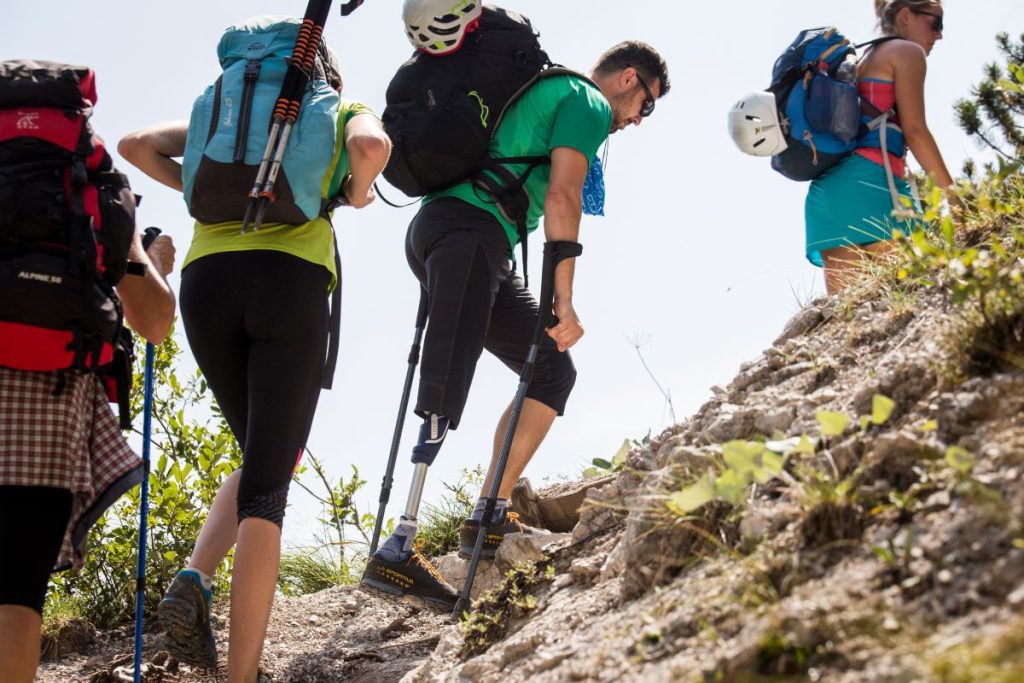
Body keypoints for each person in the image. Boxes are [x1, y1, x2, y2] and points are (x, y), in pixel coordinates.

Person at [118, 26, 390, 682]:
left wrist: (195, 186)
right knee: (269, 483)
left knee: (265, 451)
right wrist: (353, 193)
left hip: (208, 285)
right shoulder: (337, 106)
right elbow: (372, 147)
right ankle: (242, 673)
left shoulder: (221, 109)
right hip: (290, 278)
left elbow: (133, 146)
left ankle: (196, 573)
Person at [361, 35, 670, 608]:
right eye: (644, 105)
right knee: (447, 373)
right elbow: (562, 198)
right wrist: (564, 300)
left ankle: (489, 515)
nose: (638, 119)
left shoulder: (550, 91)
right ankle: (398, 550)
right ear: (629, 79)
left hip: (463, 234)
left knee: (552, 372)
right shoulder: (587, 101)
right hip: (468, 232)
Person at [0, 230, 176, 683]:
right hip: (47, 409)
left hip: (49, 407)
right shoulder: (88, 175)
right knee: (17, 594)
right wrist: (150, 261)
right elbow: (154, 320)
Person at [805, 0, 955, 293]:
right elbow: (915, 131)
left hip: (828, 195)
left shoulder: (859, 59)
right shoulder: (906, 53)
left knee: (850, 317)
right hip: (874, 184)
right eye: (936, 23)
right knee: (912, 293)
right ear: (905, 15)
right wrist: (955, 196)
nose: (939, 35)